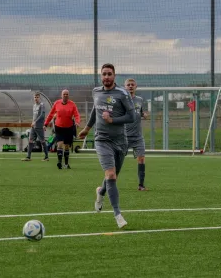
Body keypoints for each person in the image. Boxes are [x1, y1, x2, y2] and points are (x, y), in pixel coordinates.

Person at [78, 63, 135, 229]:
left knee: (113, 175)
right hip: (102, 140)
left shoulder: (123, 94)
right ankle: (118, 214)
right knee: (110, 175)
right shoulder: (96, 92)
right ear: (100, 76)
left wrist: (113, 120)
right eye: (104, 74)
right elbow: (95, 111)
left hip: (120, 141)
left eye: (109, 74)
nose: (106, 77)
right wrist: (87, 129)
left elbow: (131, 116)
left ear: (114, 76)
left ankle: (100, 192)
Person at [44, 89, 80, 169]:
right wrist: (45, 124)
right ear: (61, 95)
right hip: (59, 127)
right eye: (64, 94)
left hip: (69, 128)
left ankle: (66, 164)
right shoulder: (57, 103)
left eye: (67, 94)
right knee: (59, 144)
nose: (65, 95)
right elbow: (51, 114)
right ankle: (59, 162)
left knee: (67, 146)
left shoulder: (72, 104)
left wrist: (77, 122)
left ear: (68, 95)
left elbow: (77, 115)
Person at [124, 78, 148, 190]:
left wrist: (144, 114)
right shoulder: (121, 100)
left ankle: (141, 185)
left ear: (136, 86)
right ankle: (111, 181)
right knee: (117, 160)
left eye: (132, 84)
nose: (130, 86)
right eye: (128, 85)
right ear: (125, 87)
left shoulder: (139, 99)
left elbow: (140, 112)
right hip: (123, 136)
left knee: (141, 158)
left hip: (138, 136)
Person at [22, 92, 49, 162]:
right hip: (33, 126)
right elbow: (34, 116)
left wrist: (35, 122)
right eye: (35, 97)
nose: (36, 98)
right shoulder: (34, 105)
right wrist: (32, 122)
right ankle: (28, 157)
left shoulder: (42, 105)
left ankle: (46, 157)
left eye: (37, 97)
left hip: (39, 126)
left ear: (39, 98)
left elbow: (42, 116)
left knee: (42, 141)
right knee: (30, 141)